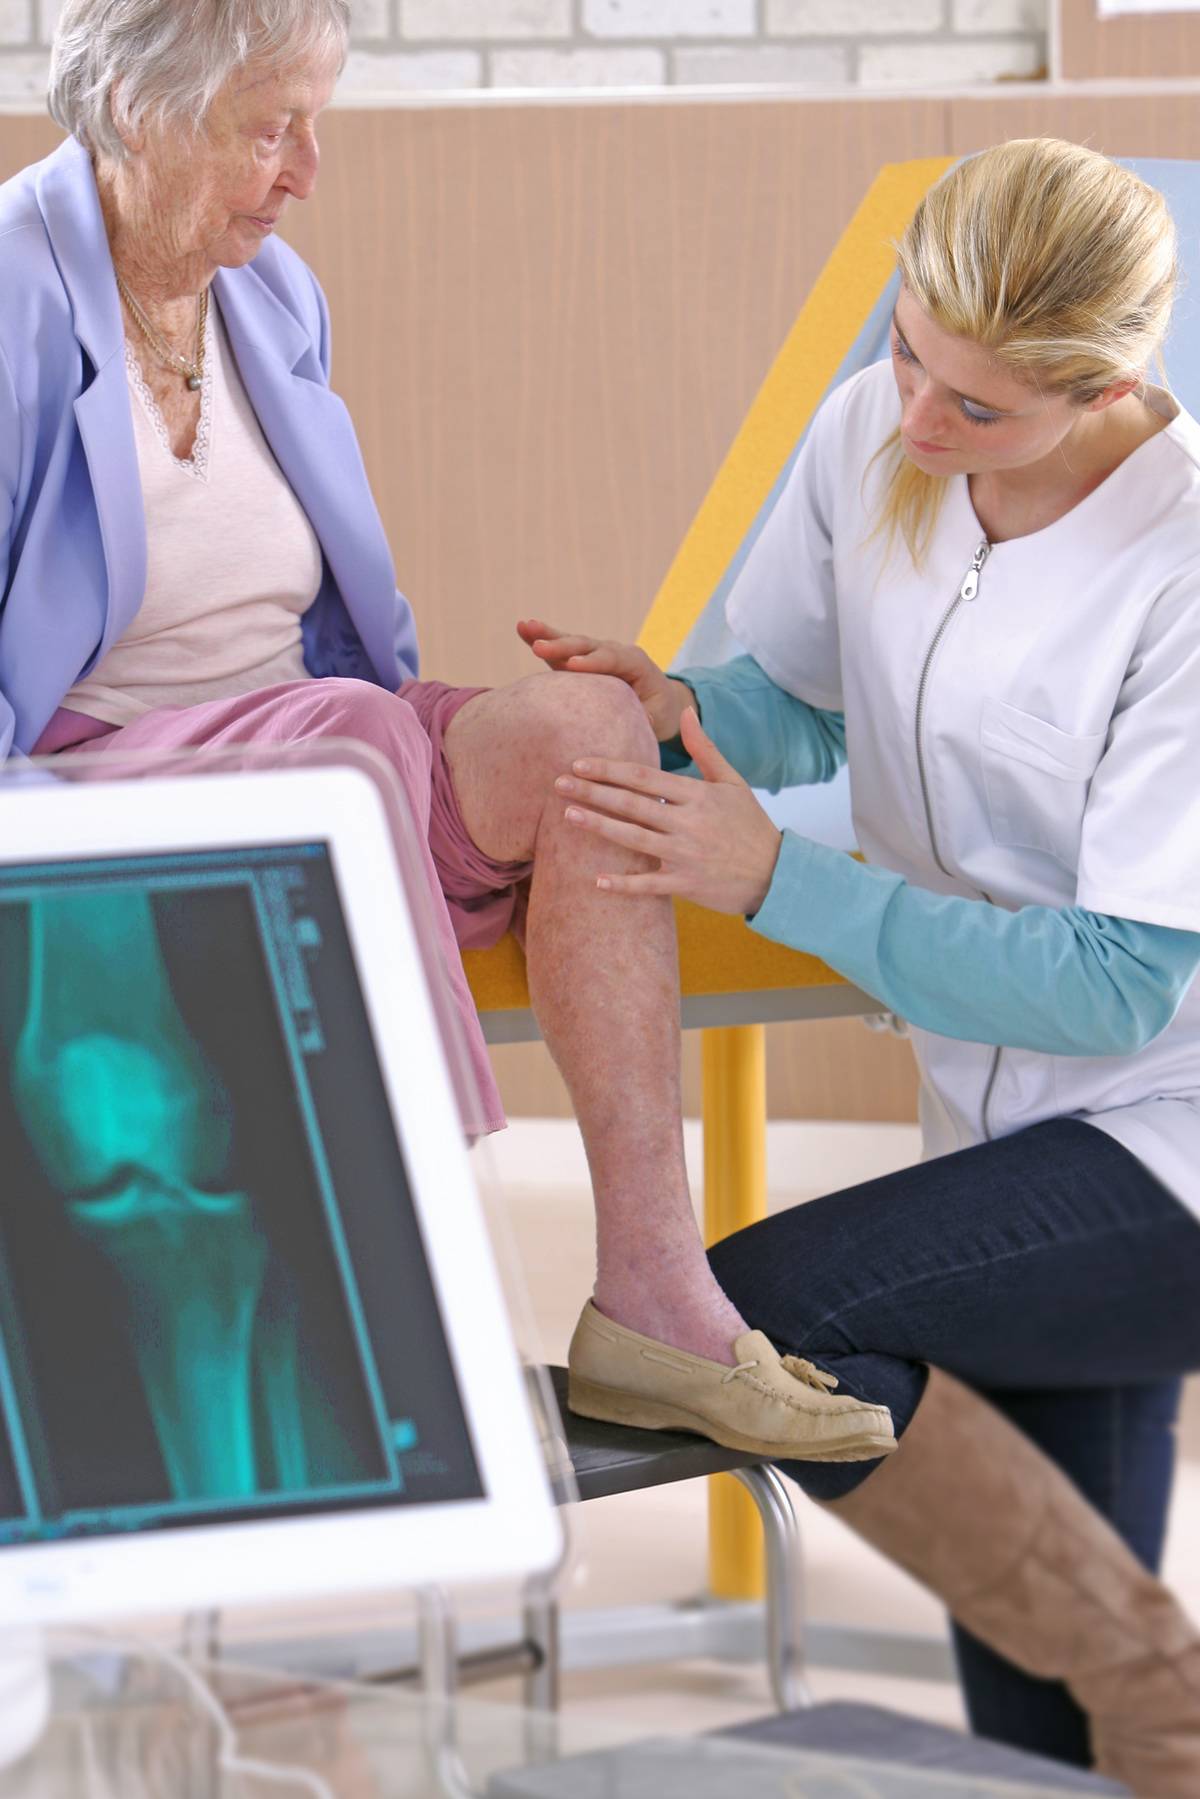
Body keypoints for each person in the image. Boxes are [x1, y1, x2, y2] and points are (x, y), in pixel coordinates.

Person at [0, 0, 892, 1465]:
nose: (305, 171)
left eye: (313, 125)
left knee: (591, 730)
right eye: (270, 129)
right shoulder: (14, 299)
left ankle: (654, 1298)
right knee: (351, 744)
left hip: (312, 730)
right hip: (91, 769)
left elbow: (340, 629)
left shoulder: (270, 294)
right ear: (144, 114)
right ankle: (409, 1287)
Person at [535, 139, 1200, 1792]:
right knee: (1048, 1730)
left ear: (1114, 384)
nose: (915, 420)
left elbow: (1122, 983)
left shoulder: (1183, 571)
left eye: (978, 409)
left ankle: (1178, 1695)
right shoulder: (876, 434)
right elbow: (804, 694)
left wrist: (783, 882)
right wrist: (676, 710)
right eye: (908, 354)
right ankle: (1162, 1713)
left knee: (749, 1313)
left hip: (1164, 1136)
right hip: (993, 1135)